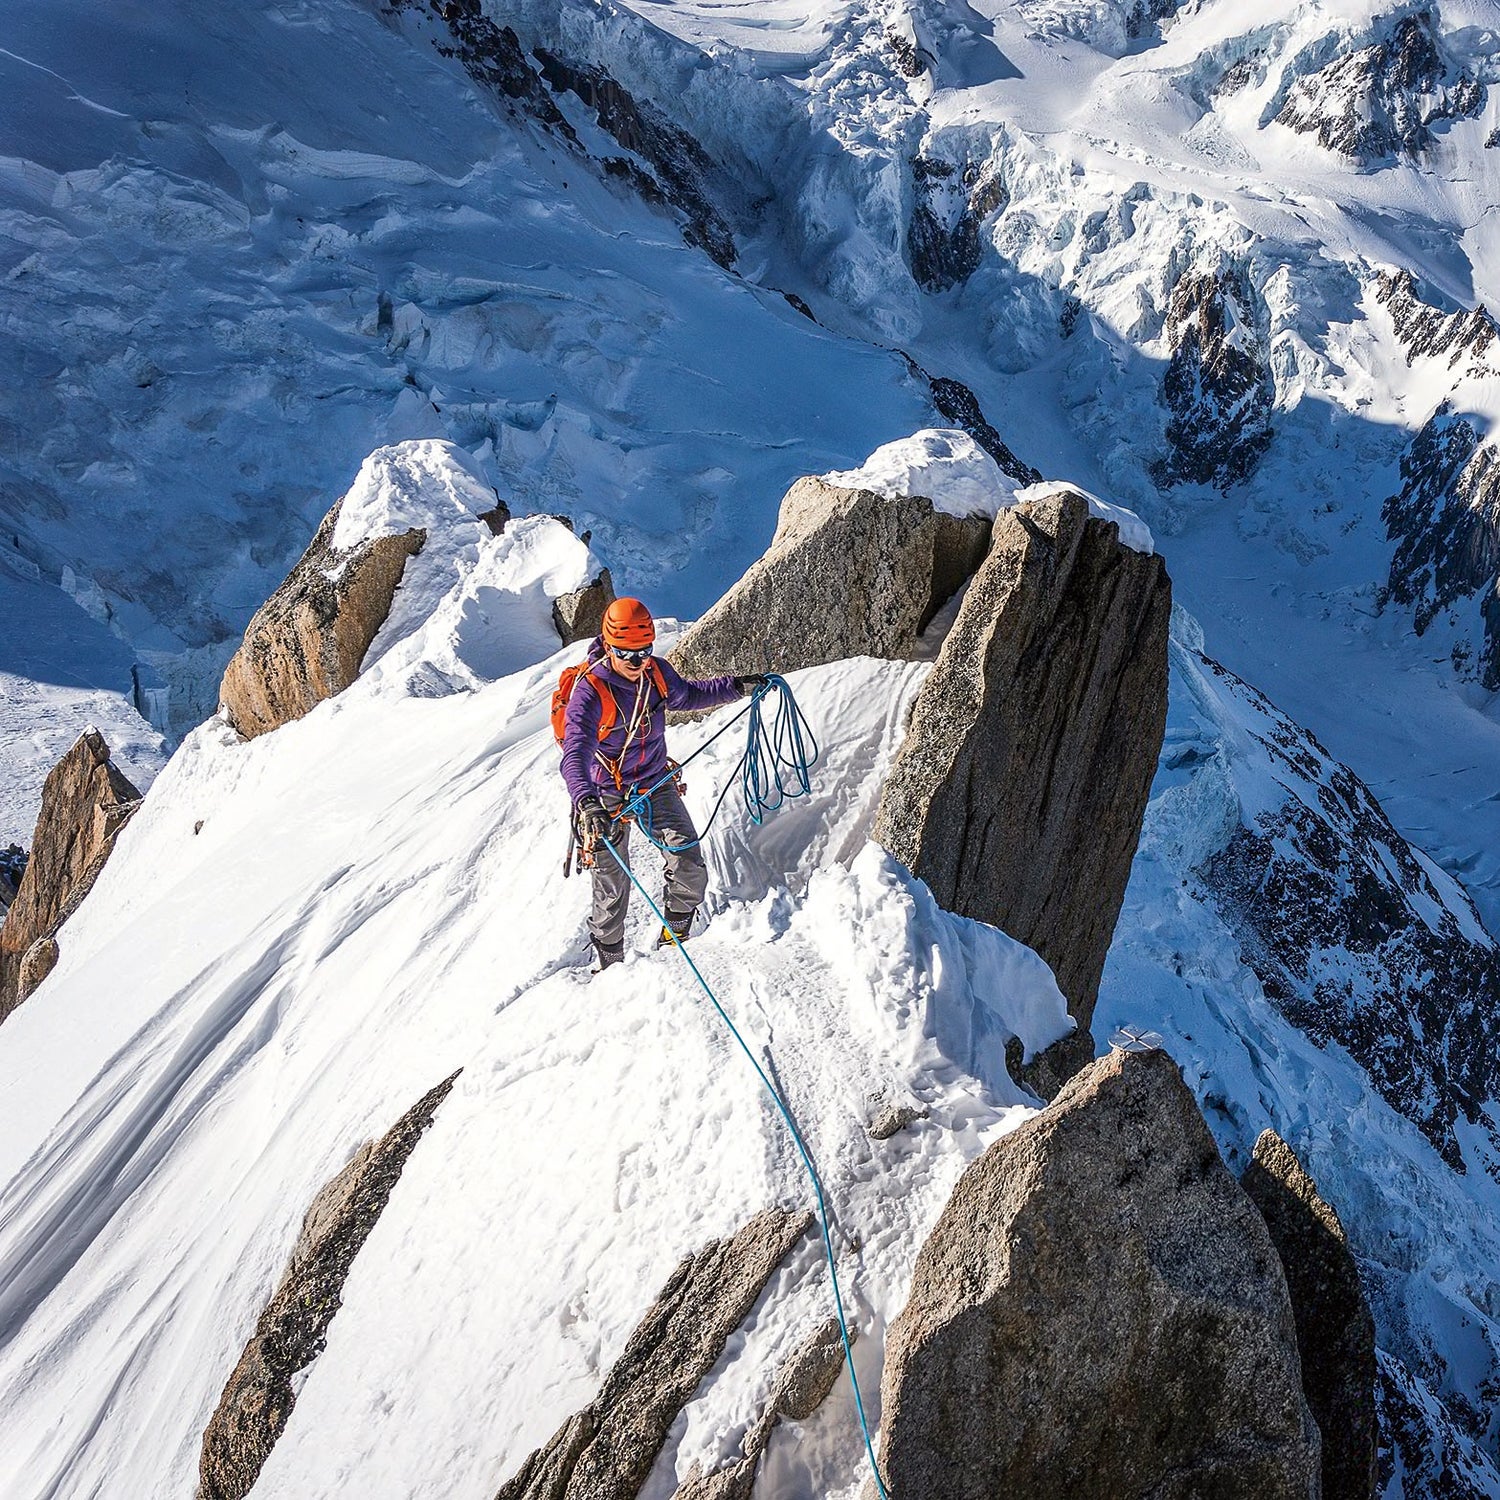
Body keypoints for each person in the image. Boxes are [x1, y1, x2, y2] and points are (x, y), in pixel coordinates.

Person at [560, 596, 766, 971]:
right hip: (605, 794)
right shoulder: (590, 693)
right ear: (609, 646)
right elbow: (575, 753)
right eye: (628, 654)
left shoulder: (656, 673)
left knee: (688, 863)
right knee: (611, 887)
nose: (638, 662)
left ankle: (675, 946)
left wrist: (738, 686)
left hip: (654, 782)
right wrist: (586, 803)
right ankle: (610, 968)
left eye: (645, 651)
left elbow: (688, 695)